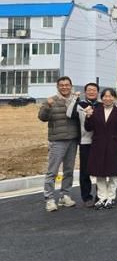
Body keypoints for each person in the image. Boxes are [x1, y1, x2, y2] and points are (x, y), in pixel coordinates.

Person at [38, 76, 80, 212]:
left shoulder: (75, 100)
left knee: (68, 171)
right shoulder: (51, 100)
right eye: (61, 85)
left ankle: (65, 196)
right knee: (52, 171)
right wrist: (47, 106)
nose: (64, 87)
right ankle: (49, 199)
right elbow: (42, 117)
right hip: (57, 141)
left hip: (72, 140)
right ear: (57, 87)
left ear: (71, 86)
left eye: (67, 85)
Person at [83, 88, 117, 209]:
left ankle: (111, 197)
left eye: (110, 96)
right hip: (98, 145)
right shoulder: (95, 111)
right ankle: (102, 197)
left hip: (114, 145)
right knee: (100, 173)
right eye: (105, 96)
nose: (108, 98)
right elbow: (88, 128)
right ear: (101, 98)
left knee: (113, 173)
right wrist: (88, 116)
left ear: (114, 98)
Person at [66, 82, 100, 207]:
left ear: (97, 92)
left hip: (100, 142)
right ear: (85, 92)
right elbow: (69, 114)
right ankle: (87, 197)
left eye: (94, 90)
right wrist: (75, 98)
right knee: (85, 171)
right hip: (85, 142)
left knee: (100, 170)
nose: (91, 92)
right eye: (89, 90)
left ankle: (100, 196)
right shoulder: (80, 105)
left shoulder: (101, 105)